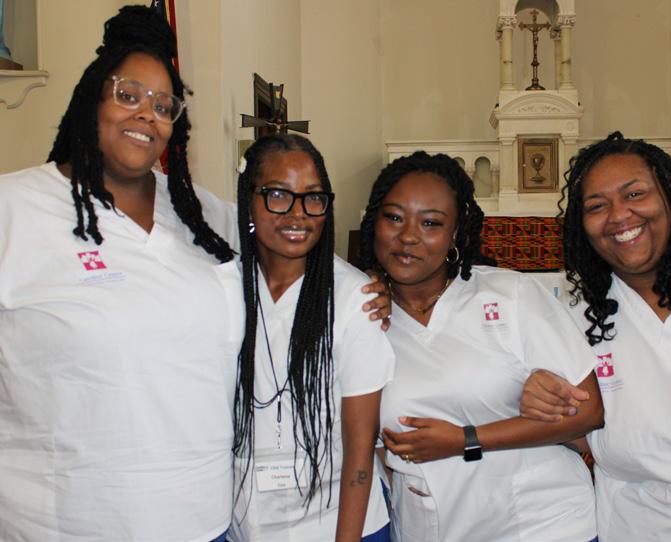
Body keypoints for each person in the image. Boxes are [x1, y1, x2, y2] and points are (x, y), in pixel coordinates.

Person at [0, 6, 243, 542]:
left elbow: (296, 265)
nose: (146, 115)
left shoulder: (208, 217)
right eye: (128, 95)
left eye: (163, 105)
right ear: (92, 98)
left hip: (203, 520)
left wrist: (375, 291)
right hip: (64, 524)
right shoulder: (13, 209)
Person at [519, 132, 671, 541]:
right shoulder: (575, 309)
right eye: (596, 206)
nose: (619, 215)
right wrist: (545, 400)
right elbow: (583, 430)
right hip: (641, 527)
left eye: (635, 194)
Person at [358, 151, 605, 542]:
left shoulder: (510, 293)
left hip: (541, 525)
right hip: (431, 527)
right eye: (394, 217)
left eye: (431, 222)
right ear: (374, 222)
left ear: (456, 233)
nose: (408, 236)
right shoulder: (361, 316)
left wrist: (466, 439)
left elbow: (589, 411)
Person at [229, 134, 394, 542]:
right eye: (278, 195)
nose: (298, 213)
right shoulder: (224, 288)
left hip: (337, 521)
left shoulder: (355, 298)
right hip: (246, 519)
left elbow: (360, 448)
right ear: (249, 200)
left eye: (313, 198)